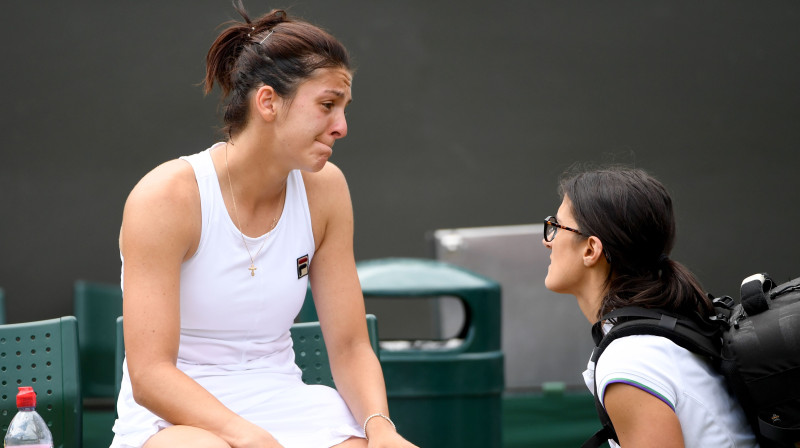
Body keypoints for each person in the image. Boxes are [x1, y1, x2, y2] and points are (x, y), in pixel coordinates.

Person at [111, 3, 417, 447]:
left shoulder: (327, 189)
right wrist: (248, 438)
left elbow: (350, 346)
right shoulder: (165, 197)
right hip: (173, 417)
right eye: (328, 105)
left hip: (286, 402)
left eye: (344, 107)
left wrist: (380, 428)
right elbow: (151, 375)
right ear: (268, 101)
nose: (342, 127)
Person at [541, 166, 758, 448]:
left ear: (590, 250)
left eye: (556, 227)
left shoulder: (630, 360)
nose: (547, 241)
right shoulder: (664, 330)